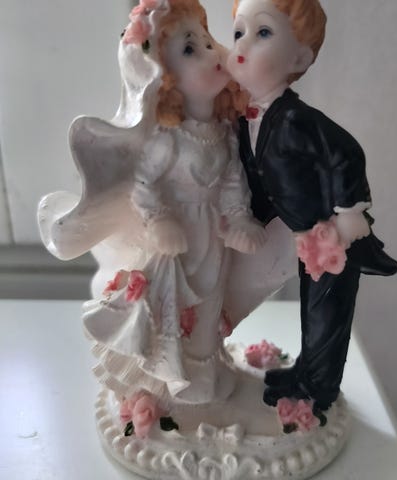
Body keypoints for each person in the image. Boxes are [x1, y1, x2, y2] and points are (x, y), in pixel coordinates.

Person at [38, 0, 297, 408]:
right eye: (190, 49)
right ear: (167, 77)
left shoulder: (225, 132)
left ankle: (208, 369)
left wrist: (238, 219)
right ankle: (180, 380)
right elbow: (144, 185)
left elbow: (232, 181)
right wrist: (158, 221)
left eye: (207, 41)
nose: (211, 52)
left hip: (213, 239)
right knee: (180, 311)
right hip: (178, 248)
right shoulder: (167, 139)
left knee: (211, 306)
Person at [227, 0, 397, 415]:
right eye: (238, 33)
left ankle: (318, 390)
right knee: (313, 306)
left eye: (263, 33)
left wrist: (349, 214)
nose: (242, 45)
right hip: (304, 235)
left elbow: (347, 152)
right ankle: (305, 372)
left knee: (328, 313)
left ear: (299, 59)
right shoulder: (246, 119)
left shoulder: (295, 119)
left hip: (334, 236)